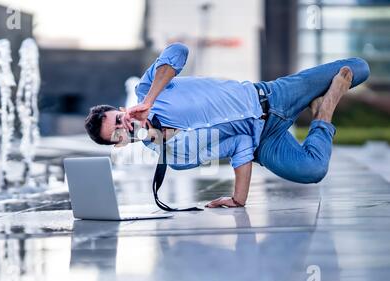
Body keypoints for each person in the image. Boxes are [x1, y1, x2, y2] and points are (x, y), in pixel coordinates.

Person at [84, 43, 370, 208]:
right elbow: (239, 144)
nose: (126, 126)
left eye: (119, 119)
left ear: (122, 110)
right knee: (313, 171)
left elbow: (178, 52)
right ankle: (325, 108)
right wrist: (238, 199)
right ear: (120, 144)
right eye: (118, 134)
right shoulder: (173, 157)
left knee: (359, 68)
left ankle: (313, 100)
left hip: (270, 96)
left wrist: (149, 99)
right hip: (263, 143)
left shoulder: (148, 88)